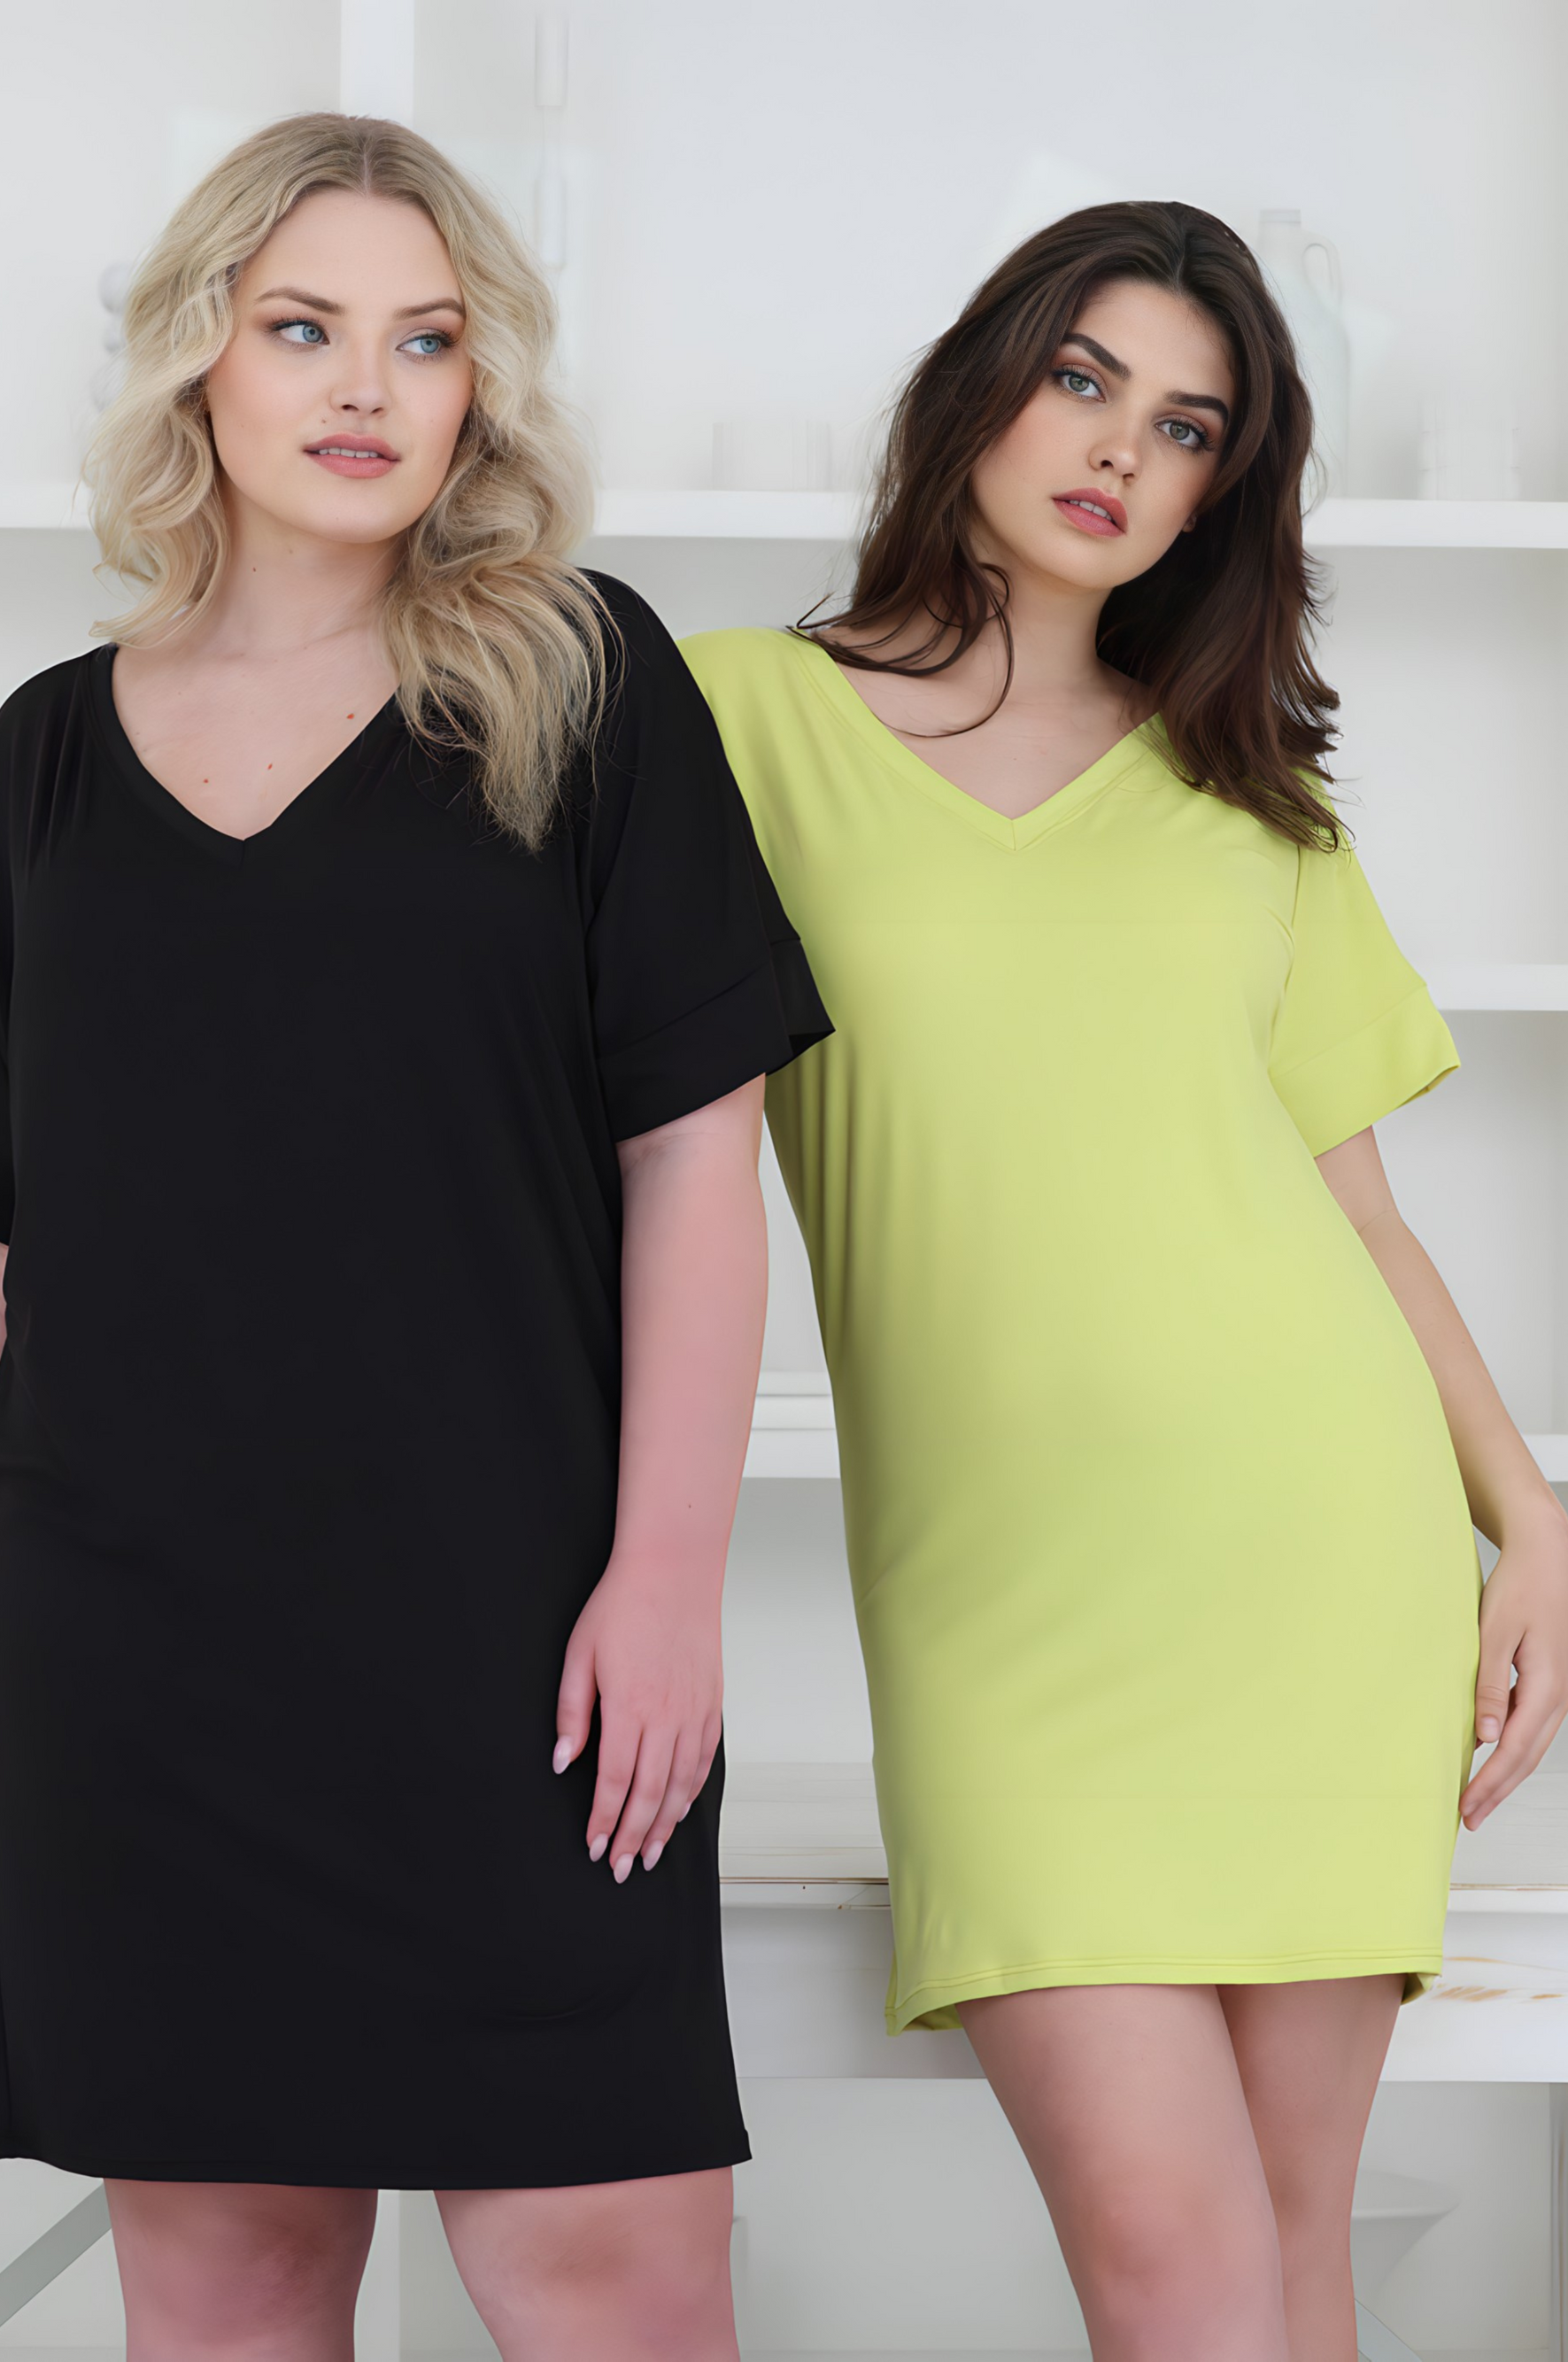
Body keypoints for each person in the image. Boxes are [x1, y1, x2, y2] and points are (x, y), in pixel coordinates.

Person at [0, 113, 826, 2362]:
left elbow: (696, 1156)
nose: (366, 385)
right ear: (200, 361)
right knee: (231, 2295)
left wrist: (667, 1574)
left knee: (616, 2278)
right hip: (132, 1661)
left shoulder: (583, 680)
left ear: (479, 393)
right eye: (302, 328)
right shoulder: (45, 757)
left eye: (426, 340)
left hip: (522, 1643)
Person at [683, 200, 1568, 2362]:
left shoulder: (1250, 798)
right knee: (1179, 2277)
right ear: (976, 388)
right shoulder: (731, 719)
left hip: (1319, 1565)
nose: (1116, 450)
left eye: (1184, 428)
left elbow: (1360, 1217)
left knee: (1285, 2259)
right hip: (1001, 1603)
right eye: (1082, 380)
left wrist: (1531, 1519)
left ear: (1216, 494)